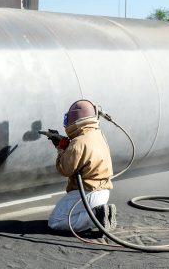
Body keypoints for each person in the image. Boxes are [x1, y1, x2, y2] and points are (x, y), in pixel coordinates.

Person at [46, 99, 117, 233]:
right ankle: (100, 213)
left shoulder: (78, 142)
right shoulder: (97, 134)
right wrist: (67, 146)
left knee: (55, 222)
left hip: (87, 193)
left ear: (75, 120)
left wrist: (61, 150)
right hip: (103, 192)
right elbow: (85, 156)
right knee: (69, 215)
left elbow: (65, 169)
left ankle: (97, 217)